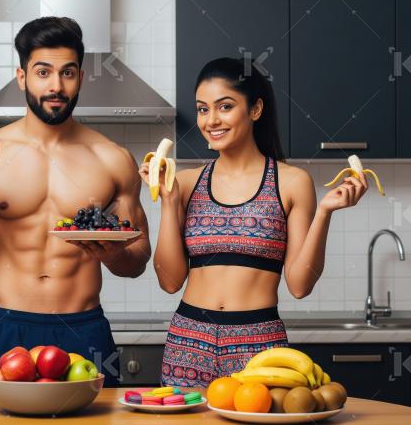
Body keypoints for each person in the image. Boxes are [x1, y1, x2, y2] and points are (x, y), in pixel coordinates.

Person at [0, 17, 151, 393]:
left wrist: (111, 254)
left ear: (80, 77)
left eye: (67, 73)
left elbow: (138, 260)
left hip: (83, 328)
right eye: (43, 72)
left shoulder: (112, 158)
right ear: (21, 77)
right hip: (4, 327)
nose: (55, 85)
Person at [140, 57, 368, 387]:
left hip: (259, 346)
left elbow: (300, 286)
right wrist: (169, 201)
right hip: (188, 342)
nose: (211, 120)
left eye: (225, 106)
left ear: (255, 109)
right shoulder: (186, 183)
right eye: (203, 109)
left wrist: (324, 212)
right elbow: (170, 281)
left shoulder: (291, 182)